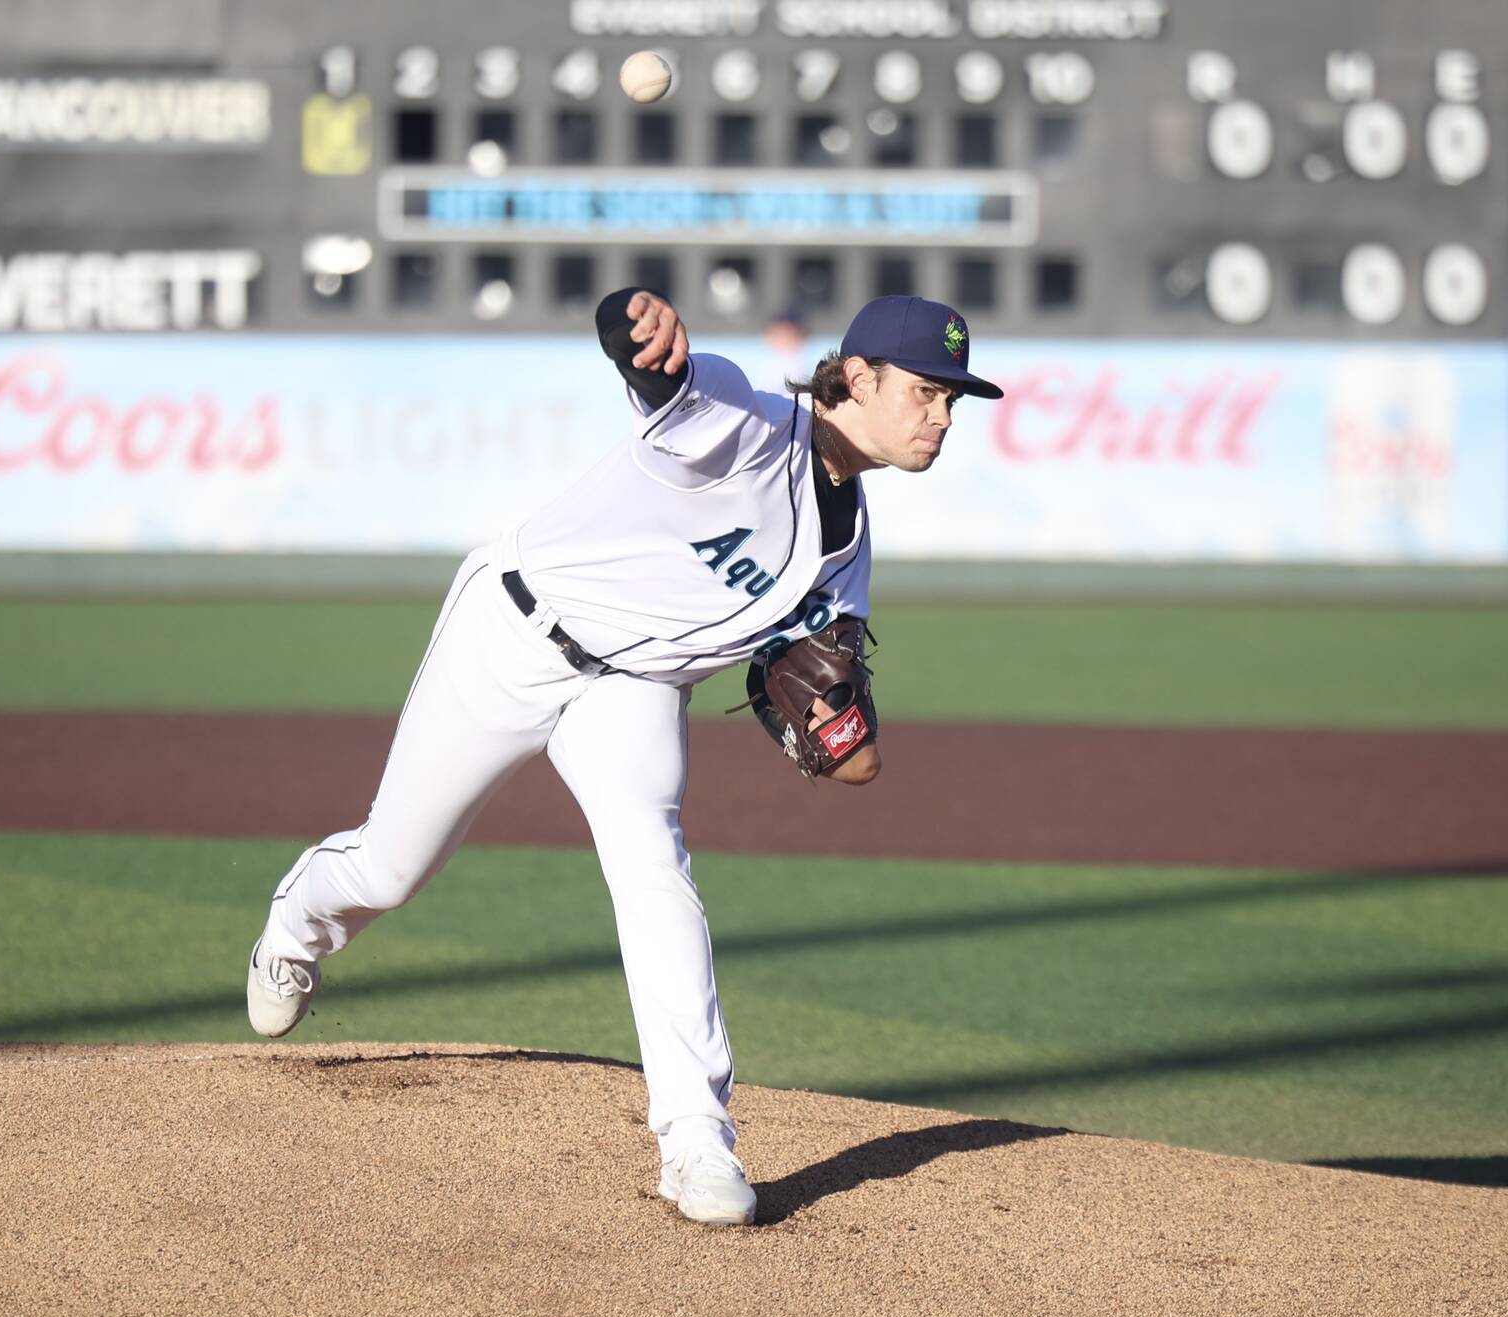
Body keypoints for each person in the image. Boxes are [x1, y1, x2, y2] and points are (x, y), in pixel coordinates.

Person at [245, 288, 1003, 1226]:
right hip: (517, 631)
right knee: (391, 866)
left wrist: (844, 736)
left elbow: (850, 751)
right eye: (928, 392)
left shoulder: (848, 550)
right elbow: (654, 371)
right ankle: (299, 919)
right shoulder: (743, 420)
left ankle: (696, 1140)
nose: (943, 417)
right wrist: (632, 323)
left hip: (633, 688)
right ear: (856, 376)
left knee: (654, 868)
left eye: (954, 401)